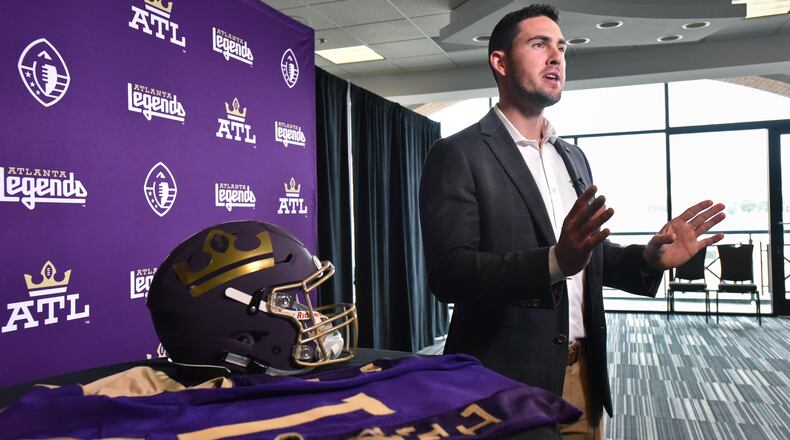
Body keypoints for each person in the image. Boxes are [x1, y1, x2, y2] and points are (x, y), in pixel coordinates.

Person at [418, 4, 725, 439]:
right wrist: (553, 262)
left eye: (561, 47)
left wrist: (650, 259)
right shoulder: (457, 154)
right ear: (500, 62)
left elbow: (587, 256)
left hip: (584, 380)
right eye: (539, 44)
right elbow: (449, 274)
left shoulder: (573, 156)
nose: (557, 56)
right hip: (501, 386)